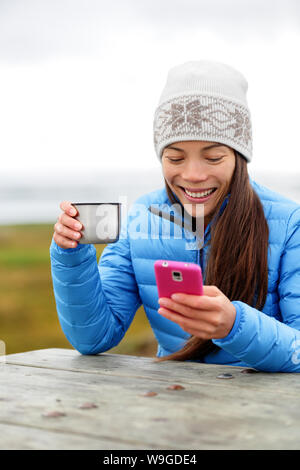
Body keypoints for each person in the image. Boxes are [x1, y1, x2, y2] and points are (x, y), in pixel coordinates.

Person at [50, 60, 300, 372]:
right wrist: (71, 257)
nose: (193, 174)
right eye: (175, 157)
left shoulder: (290, 224)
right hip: (171, 407)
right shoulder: (142, 217)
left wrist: (235, 326)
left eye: (213, 157)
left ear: (239, 158)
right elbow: (93, 338)